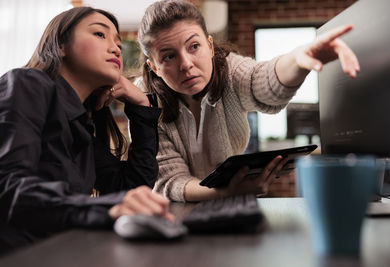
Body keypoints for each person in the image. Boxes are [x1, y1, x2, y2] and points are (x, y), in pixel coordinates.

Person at [134, 0, 360, 202]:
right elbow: (170, 181)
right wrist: (226, 193)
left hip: (229, 204)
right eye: (169, 56)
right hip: (176, 212)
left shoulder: (231, 71)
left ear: (210, 46)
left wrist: (297, 60)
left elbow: (261, 80)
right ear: (154, 67)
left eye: (194, 46)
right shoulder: (144, 101)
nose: (186, 64)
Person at [0, 6, 173, 253]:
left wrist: (143, 106)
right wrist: (105, 208)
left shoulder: (80, 126)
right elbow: (8, 186)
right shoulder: (26, 84)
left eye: (119, 44)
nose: (115, 48)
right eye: (99, 35)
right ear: (61, 45)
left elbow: (131, 189)